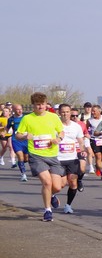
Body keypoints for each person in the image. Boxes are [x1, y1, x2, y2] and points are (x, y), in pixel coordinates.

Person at [14, 93, 66, 221]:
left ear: (46, 104)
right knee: (47, 182)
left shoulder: (53, 117)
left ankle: (52, 195)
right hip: (36, 155)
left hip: (52, 155)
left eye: (43, 104)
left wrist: (58, 139)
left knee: (57, 186)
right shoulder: (27, 119)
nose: (41, 107)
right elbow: (18, 135)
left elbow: (61, 131)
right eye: (38, 104)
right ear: (33, 105)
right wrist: (25, 136)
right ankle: (47, 211)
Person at [54, 104, 87, 213]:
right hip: (59, 158)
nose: (65, 114)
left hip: (72, 158)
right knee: (61, 184)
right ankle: (52, 195)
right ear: (59, 113)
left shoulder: (76, 126)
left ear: (70, 112)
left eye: (67, 112)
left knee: (73, 182)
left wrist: (83, 150)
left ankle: (68, 205)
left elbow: (80, 141)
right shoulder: (55, 125)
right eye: (63, 112)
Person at [8, 102, 29, 181]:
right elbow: (7, 128)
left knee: (26, 158)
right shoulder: (11, 119)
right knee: (20, 156)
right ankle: (23, 174)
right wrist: (3, 132)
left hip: (25, 140)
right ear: (13, 110)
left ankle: (20, 162)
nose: (20, 111)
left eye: (21, 109)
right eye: (17, 109)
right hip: (16, 140)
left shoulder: (26, 118)